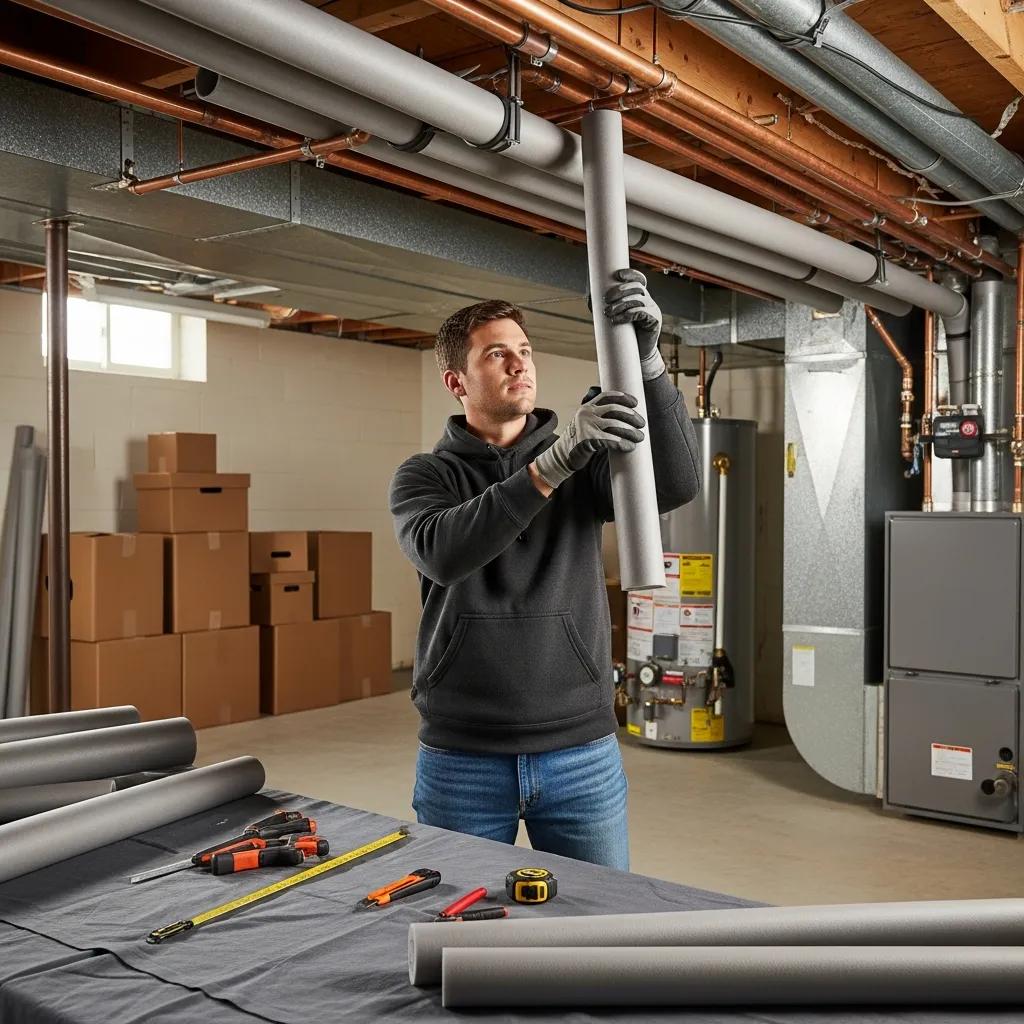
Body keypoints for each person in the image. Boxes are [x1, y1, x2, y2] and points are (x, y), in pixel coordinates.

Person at [389, 269, 700, 870]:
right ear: (457, 380)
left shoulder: (585, 462)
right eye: (497, 353)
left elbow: (677, 483)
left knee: (597, 931)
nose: (519, 365)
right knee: (459, 926)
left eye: (525, 352)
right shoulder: (426, 476)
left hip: (580, 751)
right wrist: (552, 465)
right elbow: (444, 551)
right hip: (464, 757)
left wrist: (650, 364)